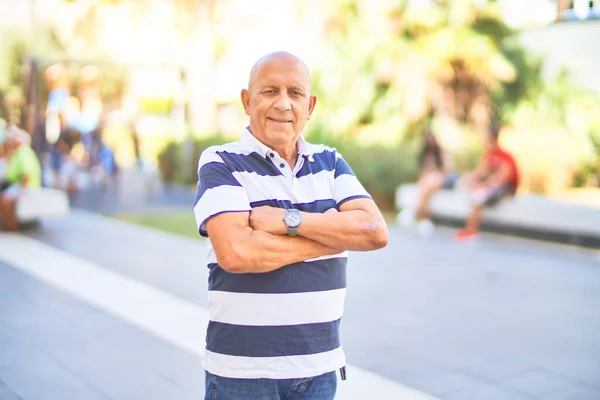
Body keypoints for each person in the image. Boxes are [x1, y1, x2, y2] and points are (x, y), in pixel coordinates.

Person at [193, 51, 388, 400]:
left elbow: (374, 232)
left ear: (310, 106)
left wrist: (289, 221)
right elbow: (238, 253)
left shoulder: (330, 162)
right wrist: (333, 236)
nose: (283, 104)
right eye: (269, 91)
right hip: (244, 375)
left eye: (295, 93)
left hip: (319, 372)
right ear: (246, 100)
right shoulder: (221, 162)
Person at [454, 125, 519, 241]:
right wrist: (467, 179)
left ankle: (471, 229)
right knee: (475, 191)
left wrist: (483, 185)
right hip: (491, 186)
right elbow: (480, 172)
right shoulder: (488, 155)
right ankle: (470, 229)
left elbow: (501, 179)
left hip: (505, 189)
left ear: (491, 138)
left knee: (478, 195)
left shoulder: (505, 157)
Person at [398, 130, 457, 236]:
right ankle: (424, 221)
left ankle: (413, 212)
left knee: (429, 183)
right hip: (429, 181)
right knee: (426, 190)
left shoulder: (442, 152)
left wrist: (434, 170)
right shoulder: (425, 154)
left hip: (442, 179)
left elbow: (448, 170)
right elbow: (422, 171)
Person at [0, 126, 42, 231]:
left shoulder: (24, 152)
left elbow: (27, 175)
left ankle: (12, 226)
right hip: (15, 185)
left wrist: (22, 192)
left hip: (27, 186)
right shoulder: (17, 152)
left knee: (5, 200)